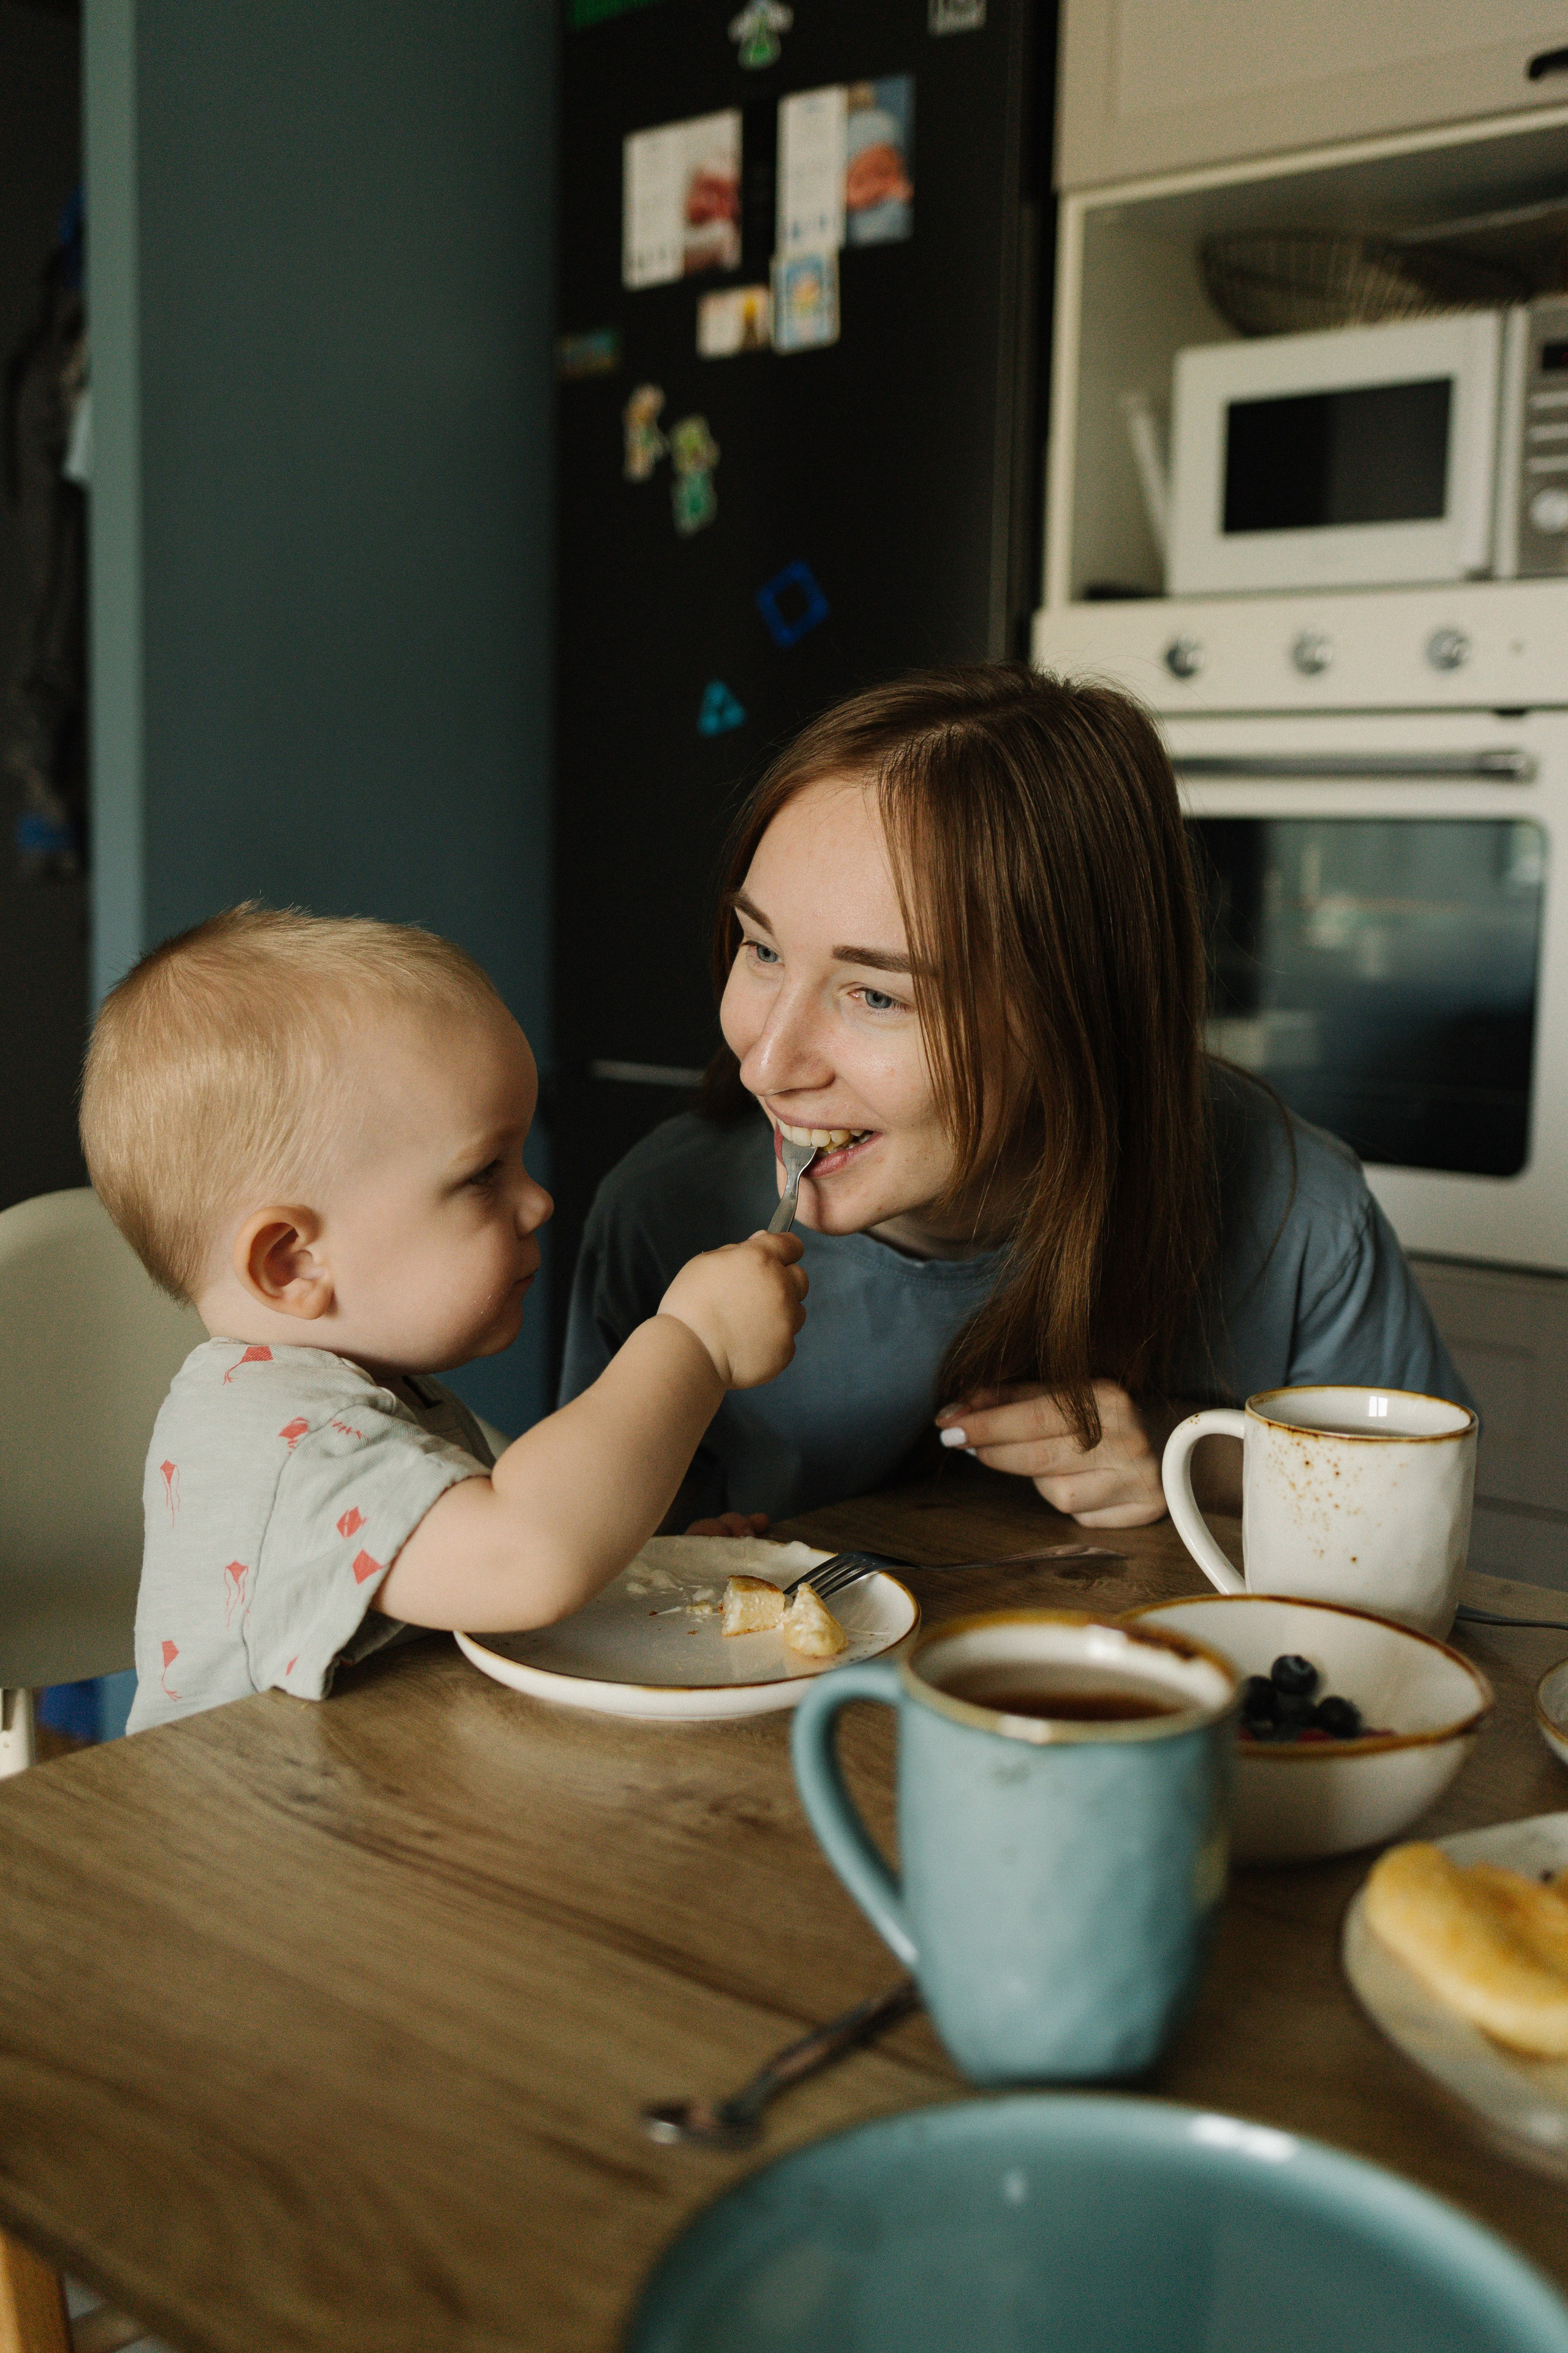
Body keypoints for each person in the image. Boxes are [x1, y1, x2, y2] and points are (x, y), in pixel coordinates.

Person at [561, 664, 1471, 1530]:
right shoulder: (661, 1216)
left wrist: (1195, 1456)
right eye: (762, 948)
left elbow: (1427, 1517)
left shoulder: (1300, 1217)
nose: (766, 1062)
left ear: (1072, 1016)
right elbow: (579, 1587)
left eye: (875, 995)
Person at [79, 905, 806, 1731]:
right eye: (482, 1175)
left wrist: (632, 1565)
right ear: (291, 1262)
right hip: (249, 1848)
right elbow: (525, 1554)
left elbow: (474, 1593)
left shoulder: (367, 1395)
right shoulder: (286, 1445)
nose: (537, 1201)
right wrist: (696, 1342)